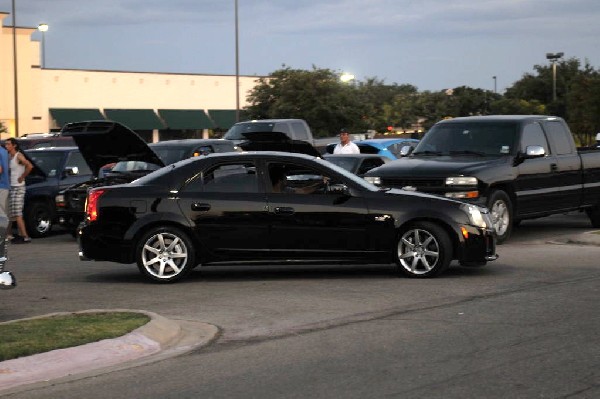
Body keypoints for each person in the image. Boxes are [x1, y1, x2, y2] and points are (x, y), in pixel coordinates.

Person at [5, 138, 33, 244]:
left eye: (8, 144)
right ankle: (9, 234)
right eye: (6, 144)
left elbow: (30, 166)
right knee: (9, 212)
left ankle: (25, 236)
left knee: (17, 213)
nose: (6, 146)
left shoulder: (18, 156)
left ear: (14, 145)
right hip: (11, 187)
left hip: (19, 187)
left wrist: (22, 176)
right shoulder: (9, 157)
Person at [0, 144, 9, 218]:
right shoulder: (5, 152)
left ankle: (2, 229)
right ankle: (6, 230)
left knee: (1, 213)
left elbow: (0, 170)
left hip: (1, 185)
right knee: (5, 212)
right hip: (6, 185)